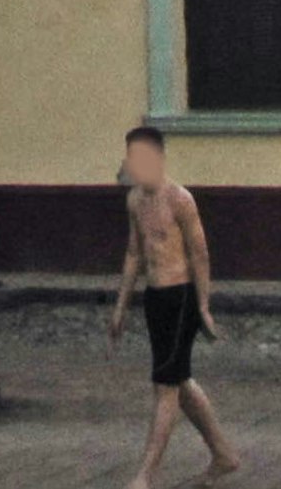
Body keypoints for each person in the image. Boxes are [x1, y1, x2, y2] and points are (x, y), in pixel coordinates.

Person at [106, 125, 237, 486]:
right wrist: (120, 307)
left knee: (165, 387)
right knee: (179, 381)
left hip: (181, 298)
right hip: (155, 300)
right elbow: (134, 253)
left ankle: (144, 476)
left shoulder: (180, 199)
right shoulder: (134, 200)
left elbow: (200, 254)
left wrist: (204, 307)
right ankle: (223, 454)